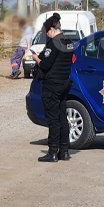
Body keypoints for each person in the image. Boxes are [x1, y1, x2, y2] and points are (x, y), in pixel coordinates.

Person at [32, 13, 75, 162]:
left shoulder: (53, 43)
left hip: (52, 85)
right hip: (64, 83)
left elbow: (45, 64)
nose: (47, 36)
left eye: (46, 33)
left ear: (51, 29)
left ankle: (53, 152)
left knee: (53, 119)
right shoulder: (68, 41)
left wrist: (37, 58)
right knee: (63, 117)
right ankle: (64, 151)